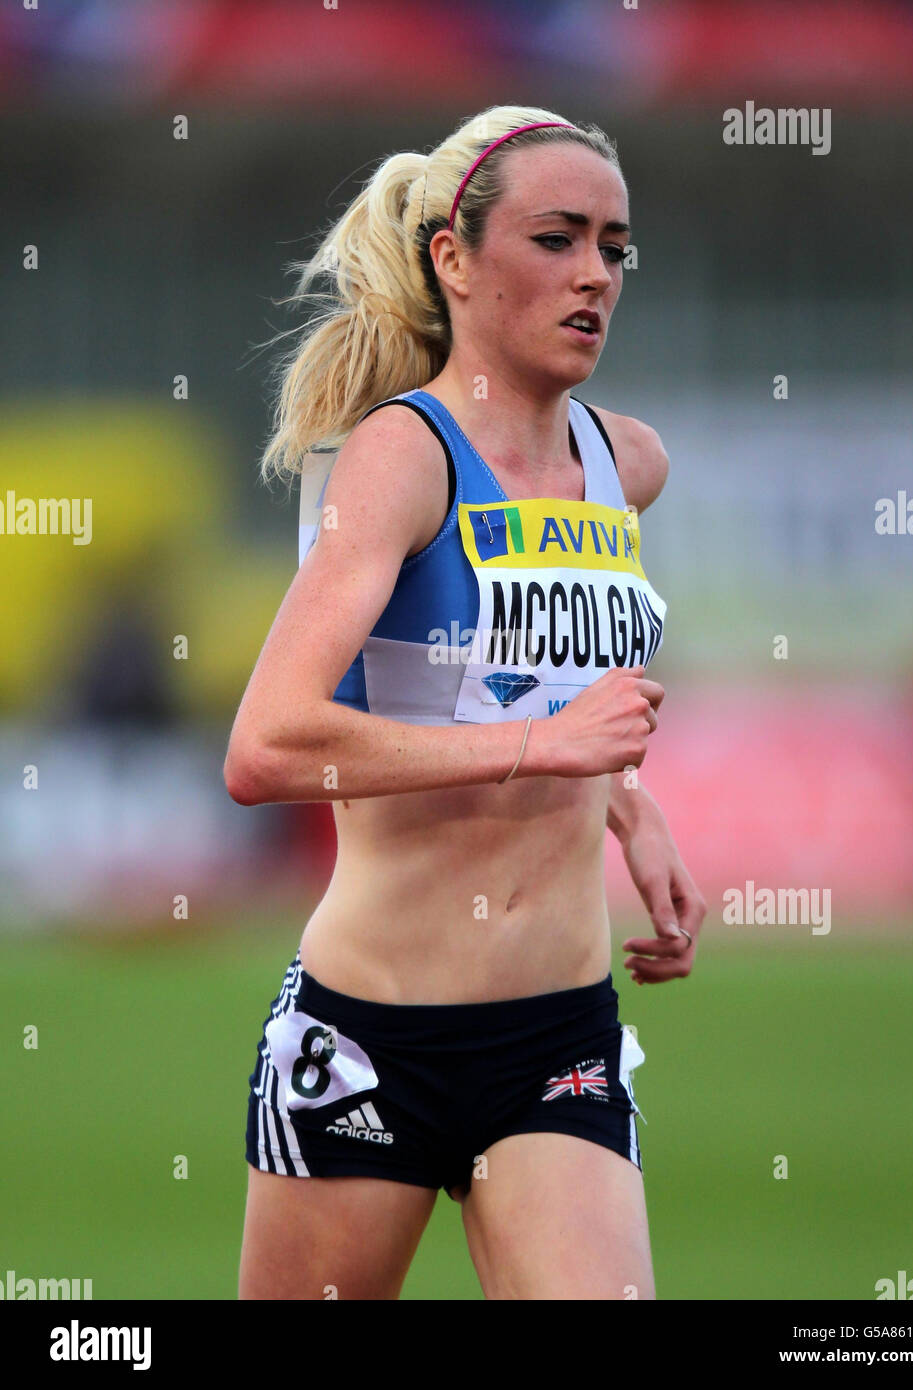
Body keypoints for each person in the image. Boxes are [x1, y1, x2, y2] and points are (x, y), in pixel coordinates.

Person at [225, 105, 706, 1301]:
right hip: (370, 1039)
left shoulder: (624, 463)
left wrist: (628, 808)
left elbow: (543, 671)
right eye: (557, 238)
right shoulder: (402, 456)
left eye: (614, 245)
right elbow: (267, 745)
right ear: (453, 258)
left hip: (559, 1043)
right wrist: (545, 747)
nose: (595, 272)